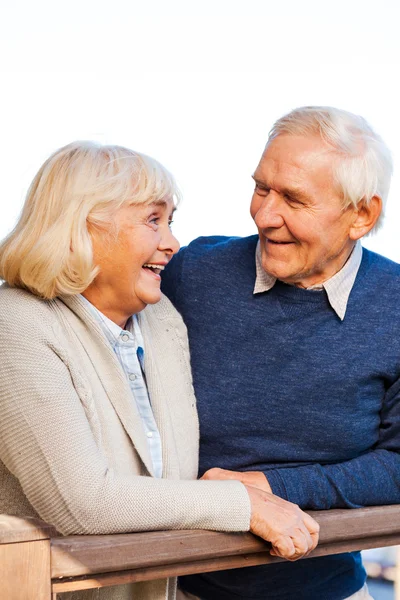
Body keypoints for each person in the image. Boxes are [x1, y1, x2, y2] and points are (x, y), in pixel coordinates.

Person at [0, 141, 319, 600]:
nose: (172, 243)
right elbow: (83, 503)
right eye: (153, 220)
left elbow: (168, 489)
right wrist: (244, 506)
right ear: (83, 227)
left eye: (171, 221)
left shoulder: (162, 319)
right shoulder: (16, 323)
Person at [162, 107, 400, 600]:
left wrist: (269, 486)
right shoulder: (192, 274)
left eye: (293, 198)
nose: (266, 215)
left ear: (362, 215)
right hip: (175, 586)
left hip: (329, 591)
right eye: (262, 188)